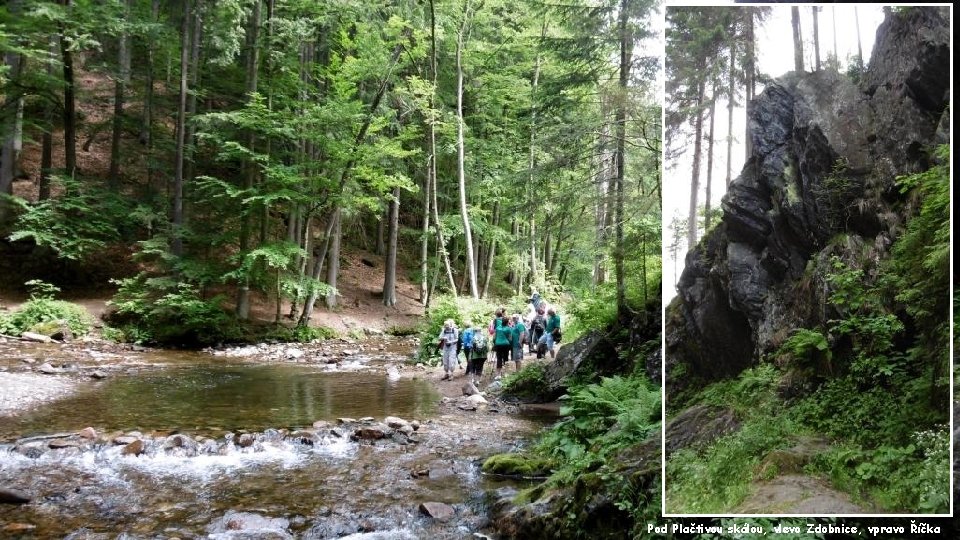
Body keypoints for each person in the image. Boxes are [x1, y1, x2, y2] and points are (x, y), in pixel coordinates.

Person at [493, 314, 512, 380]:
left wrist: (495, 342)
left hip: (498, 344)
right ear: (507, 322)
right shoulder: (508, 329)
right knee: (506, 358)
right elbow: (510, 339)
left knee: (499, 359)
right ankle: (506, 373)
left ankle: (498, 375)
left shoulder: (497, 328)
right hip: (505, 345)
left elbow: (494, 337)